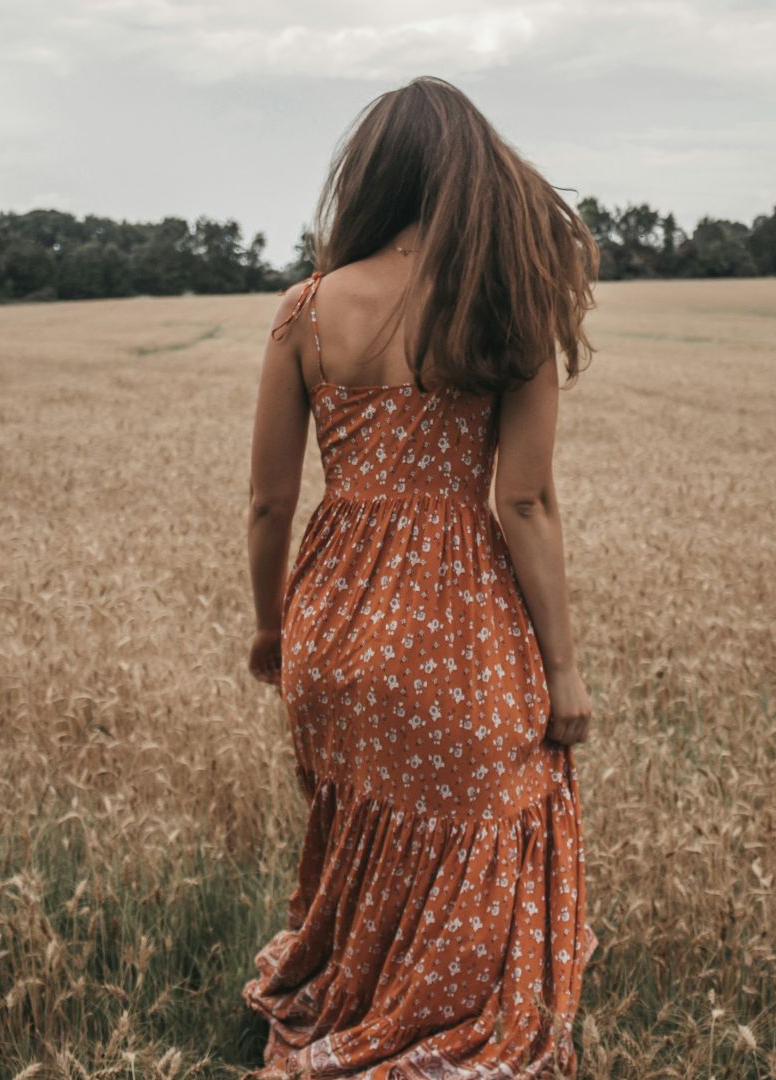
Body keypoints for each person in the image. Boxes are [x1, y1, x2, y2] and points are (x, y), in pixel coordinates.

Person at [242, 75, 598, 1078]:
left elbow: (270, 503)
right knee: (488, 817)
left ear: (375, 178)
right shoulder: (508, 308)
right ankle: (438, 1012)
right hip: (460, 626)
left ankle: (353, 992)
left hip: (333, 620)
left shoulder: (306, 312)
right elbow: (523, 504)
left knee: (357, 819)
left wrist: (273, 632)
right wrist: (563, 673)